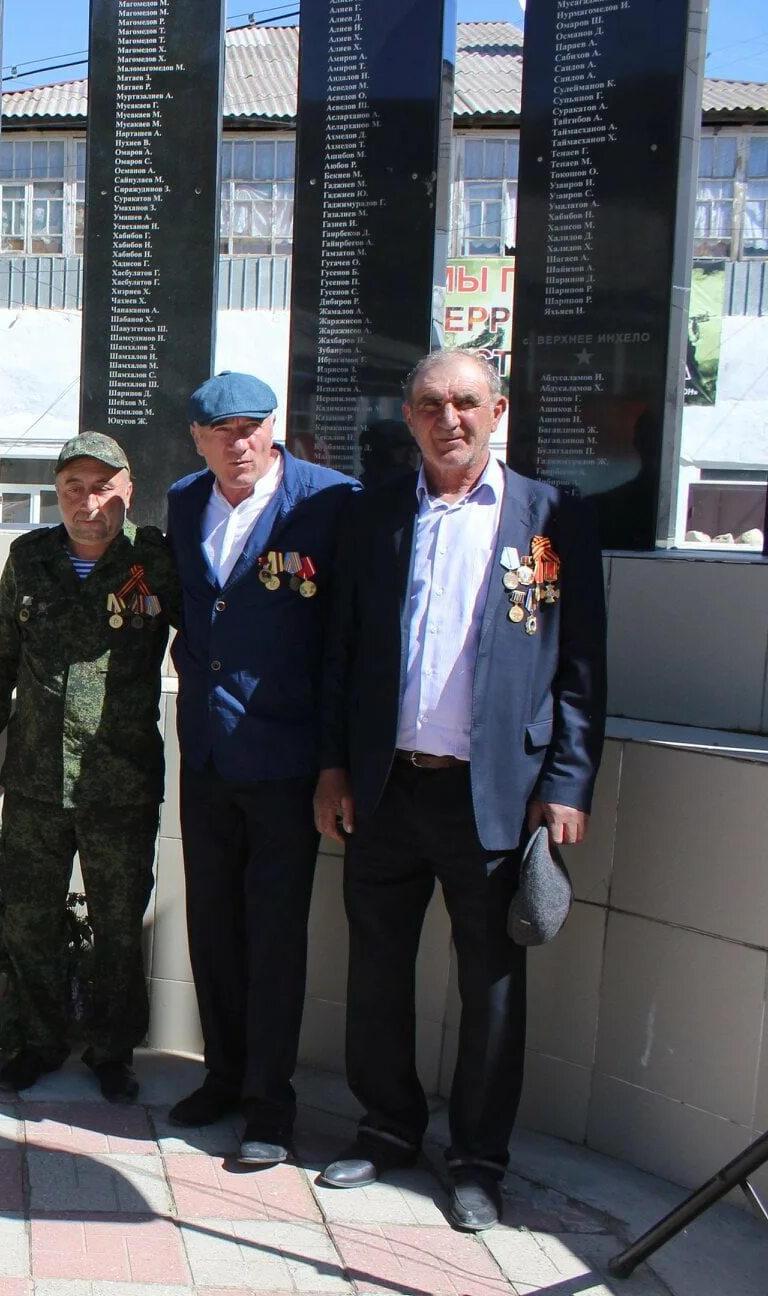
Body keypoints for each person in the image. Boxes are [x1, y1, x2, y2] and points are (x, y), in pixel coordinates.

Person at [314, 348, 605, 1231]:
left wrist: (567, 780)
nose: (451, 419)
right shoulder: (373, 518)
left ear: (498, 410)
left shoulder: (550, 517)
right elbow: (343, 653)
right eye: (432, 404)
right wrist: (334, 765)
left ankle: (478, 1158)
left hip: (495, 796)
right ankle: (389, 1128)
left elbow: (584, 667)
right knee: (376, 970)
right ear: (409, 418)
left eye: (467, 403)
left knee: (492, 985)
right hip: (386, 789)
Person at [164, 373, 359, 1166]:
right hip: (208, 751)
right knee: (212, 924)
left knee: (274, 934)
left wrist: (333, 761)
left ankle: (270, 1106)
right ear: (198, 439)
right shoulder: (184, 501)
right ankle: (224, 1076)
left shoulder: (330, 501)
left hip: (288, 762)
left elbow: (347, 637)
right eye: (221, 431)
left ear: (275, 428)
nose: (237, 443)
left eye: (252, 427)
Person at [0, 432, 180, 1100]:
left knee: (119, 925)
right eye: (72, 489)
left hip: (120, 781)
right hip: (34, 777)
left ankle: (113, 1052)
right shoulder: (28, 559)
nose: (87, 503)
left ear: (128, 490)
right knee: (30, 918)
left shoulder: (156, 561)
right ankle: (40, 1040)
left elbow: (207, 648)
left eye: (101, 487)